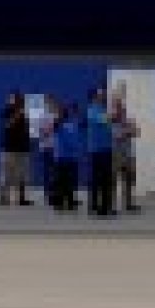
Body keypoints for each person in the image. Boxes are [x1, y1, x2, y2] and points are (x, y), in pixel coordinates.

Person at [85, 87, 115, 215]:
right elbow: (105, 119)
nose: (103, 96)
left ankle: (106, 206)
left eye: (102, 94)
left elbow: (110, 124)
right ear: (94, 97)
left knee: (107, 179)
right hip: (97, 150)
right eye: (100, 94)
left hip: (107, 148)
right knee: (97, 179)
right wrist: (114, 110)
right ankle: (95, 206)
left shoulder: (103, 109)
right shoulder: (92, 110)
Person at [110, 88, 141, 213]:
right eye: (117, 106)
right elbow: (116, 136)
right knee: (113, 179)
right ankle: (112, 205)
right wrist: (128, 131)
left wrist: (128, 130)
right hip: (116, 153)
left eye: (122, 107)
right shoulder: (110, 121)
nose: (121, 110)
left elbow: (137, 132)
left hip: (128, 153)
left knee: (129, 179)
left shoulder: (128, 119)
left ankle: (128, 203)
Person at [0, 92, 32, 206]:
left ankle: (22, 198)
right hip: (9, 148)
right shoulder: (7, 112)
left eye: (21, 100)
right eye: (17, 100)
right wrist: (18, 113)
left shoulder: (26, 113)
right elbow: (8, 124)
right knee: (7, 174)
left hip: (23, 148)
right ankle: (4, 197)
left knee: (23, 175)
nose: (19, 102)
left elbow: (30, 128)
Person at [51, 102, 81, 211]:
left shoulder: (71, 123)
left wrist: (76, 112)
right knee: (62, 181)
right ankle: (60, 202)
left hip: (70, 157)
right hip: (62, 157)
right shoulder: (59, 125)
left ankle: (68, 201)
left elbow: (76, 134)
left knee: (68, 181)